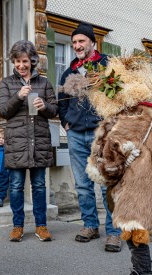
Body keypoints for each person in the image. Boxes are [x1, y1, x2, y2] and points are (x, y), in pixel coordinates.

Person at [58, 22, 122, 252]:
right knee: (83, 185)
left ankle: (114, 232)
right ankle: (90, 225)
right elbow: (61, 100)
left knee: (108, 183)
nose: (77, 45)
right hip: (75, 134)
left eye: (81, 41)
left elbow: (119, 95)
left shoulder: (107, 66)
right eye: (74, 42)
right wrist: (66, 121)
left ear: (93, 42)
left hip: (102, 133)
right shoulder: (70, 72)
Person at [0, 40, 57, 242]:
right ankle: (17, 226)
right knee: (15, 187)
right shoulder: (6, 83)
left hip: (39, 142)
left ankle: (41, 226)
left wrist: (44, 106)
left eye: (24, 61)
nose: (21, 66)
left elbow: (54, 110)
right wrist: (18, 96)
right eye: (17, 62)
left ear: (32, 61)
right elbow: (3, 111)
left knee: (39, 186)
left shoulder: (44, 83)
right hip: (16, 143)